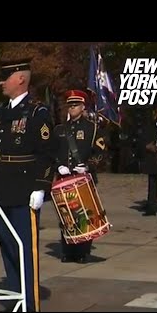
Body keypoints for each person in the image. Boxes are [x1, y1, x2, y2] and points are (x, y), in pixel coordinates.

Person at [0, 58, 56, 312]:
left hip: (25, 190)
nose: (0, 82)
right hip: (1, 188)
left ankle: (29, 304)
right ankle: (16, 299)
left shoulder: (38, 113)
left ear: (20, 78)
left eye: (5, 77)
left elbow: (48, 153)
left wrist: (41, 187)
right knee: (7, 245)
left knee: (25, 250)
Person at [53, 89, 107, 263]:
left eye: (75, 105)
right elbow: (51, 152)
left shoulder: (92, 128)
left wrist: (89, 166)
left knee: (84, 215)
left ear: (83, 107)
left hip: (82, 178)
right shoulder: (60, 129)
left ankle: (83, 252)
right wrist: (58, 165)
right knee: (66, 214)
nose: (72, 108)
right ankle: (68, 250)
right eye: (70, 105)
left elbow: (101, 152)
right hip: (64, 178)